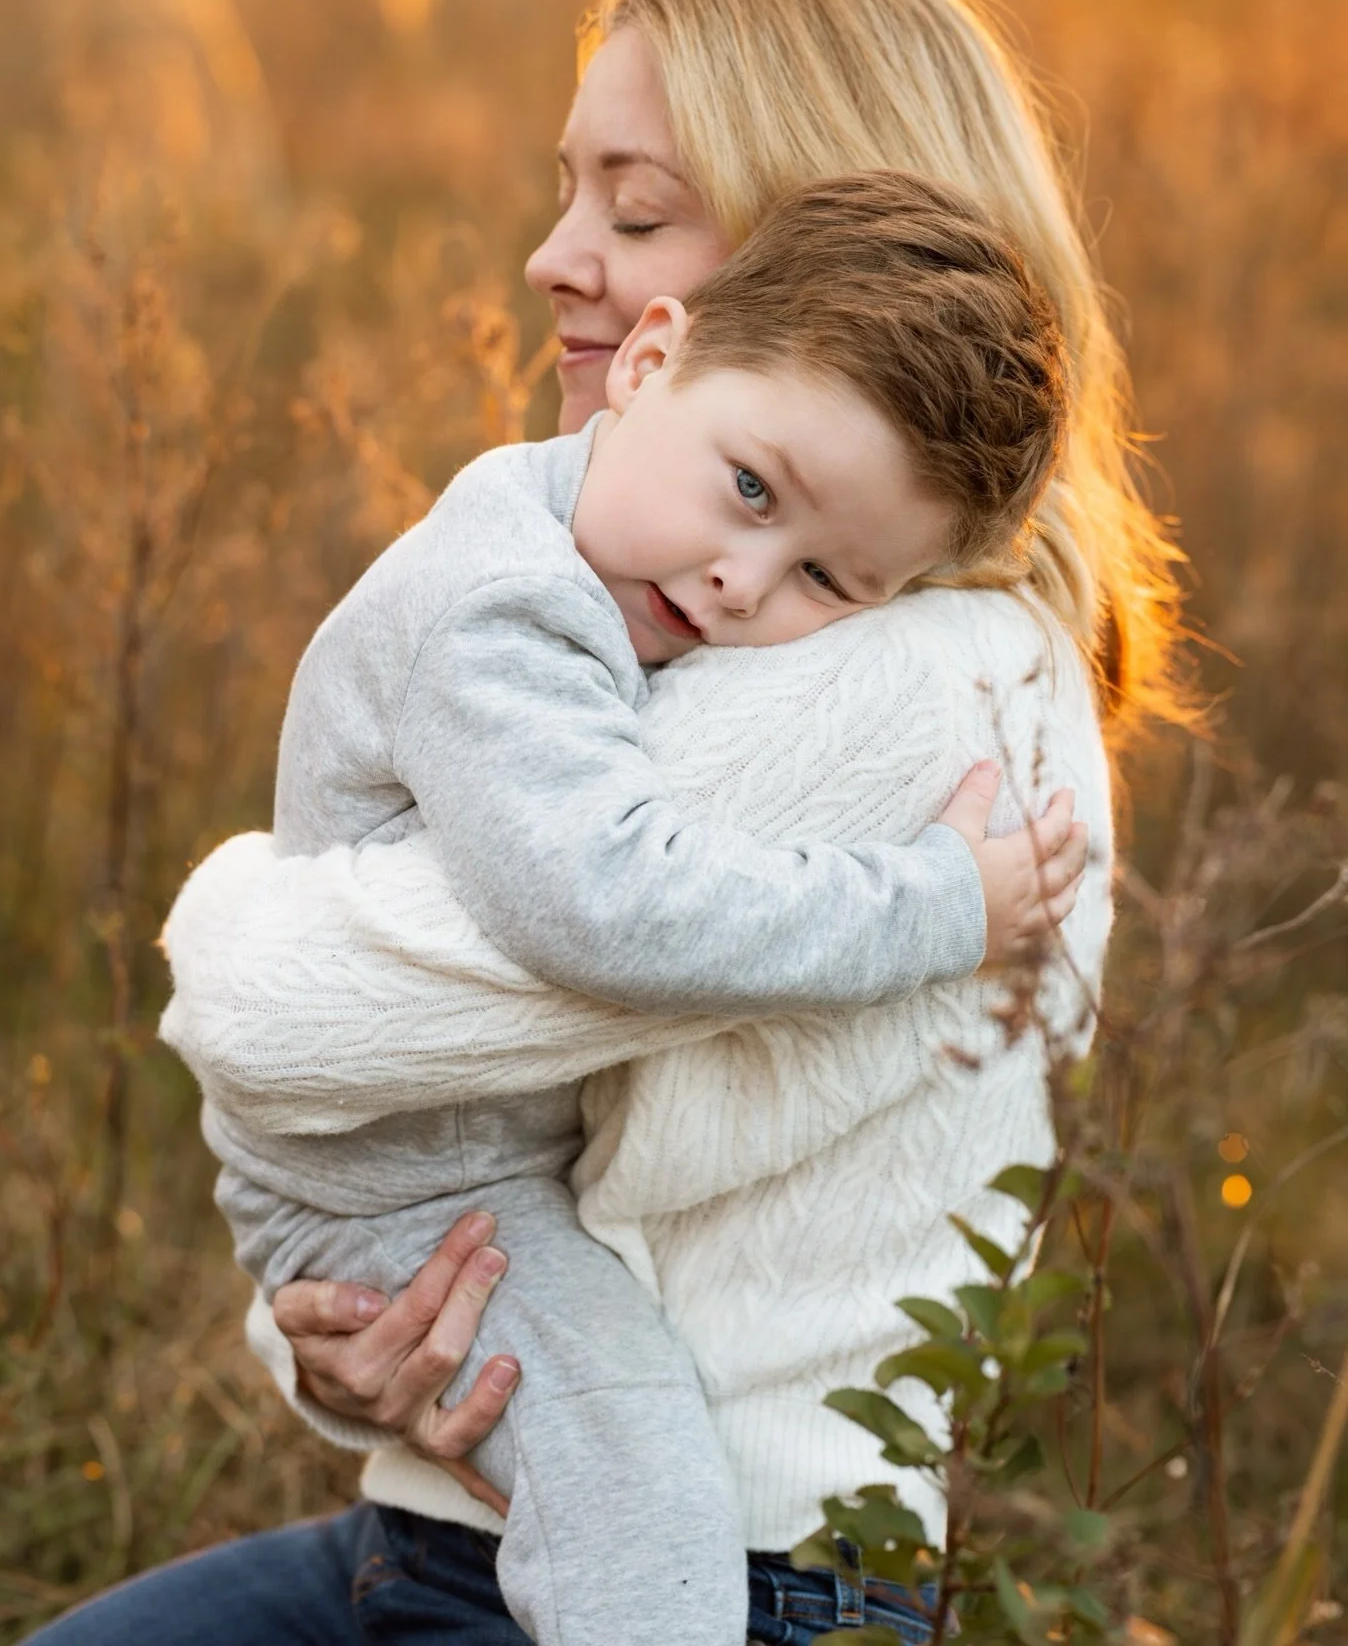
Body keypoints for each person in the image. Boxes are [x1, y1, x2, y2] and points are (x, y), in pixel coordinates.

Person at [24, 0, 1188, 1646]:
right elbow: (471, 1144)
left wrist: (236, 904)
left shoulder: (896, 677)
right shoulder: (689, 595)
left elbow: (288, 1019)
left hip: (709, 1577)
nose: (556, 257)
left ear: (841, 247)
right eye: (570, 192)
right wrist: (346, 1346)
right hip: (481, 1529)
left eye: (639, 213)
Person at [171, 169, 1079, 1646]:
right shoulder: (505, 616)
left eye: (828, 579)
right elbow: (612, 907)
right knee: (639, 1492)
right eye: (748, 492)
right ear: (651, 364)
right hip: (412, 1196)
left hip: (433, 1191)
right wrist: (937, 902)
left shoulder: (603, 561)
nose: (739, 583)